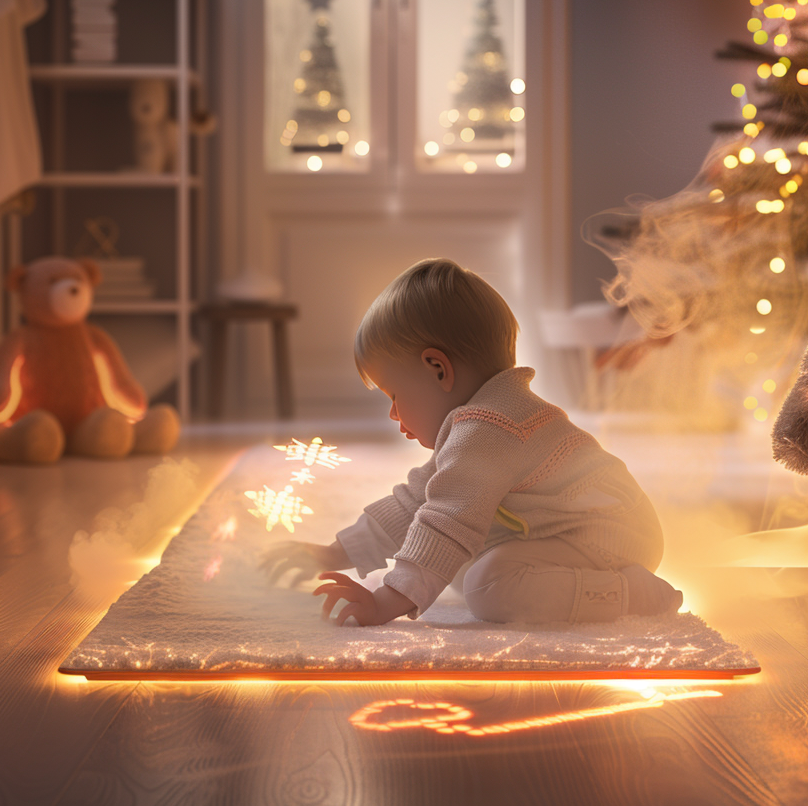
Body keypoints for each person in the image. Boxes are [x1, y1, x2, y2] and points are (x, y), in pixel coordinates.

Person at [259, 258, 682, 627]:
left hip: (610, 536)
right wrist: (333, 553)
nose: (393, 413)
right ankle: (612, 586)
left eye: (394, 395)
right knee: (459, 564)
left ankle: (632, 594)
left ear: (438, 370)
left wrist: (381, 603)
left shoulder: (489, 427)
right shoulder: (479, 421)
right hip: (570, 529)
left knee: (487, 585)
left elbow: (446, 522)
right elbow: (415, 502)